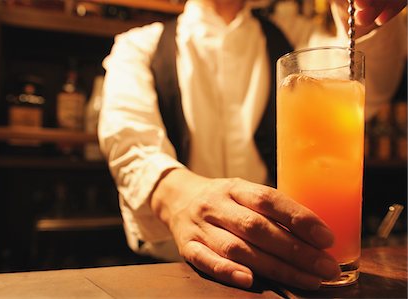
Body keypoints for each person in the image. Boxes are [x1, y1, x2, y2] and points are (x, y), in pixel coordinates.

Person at [98, 0, 407, 290]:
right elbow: (129, 141)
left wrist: (364, 20)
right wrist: (180, 198)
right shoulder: (139, 45)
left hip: (288, 272)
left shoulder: (293, 33)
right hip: (170, 271)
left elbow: (365, 89)